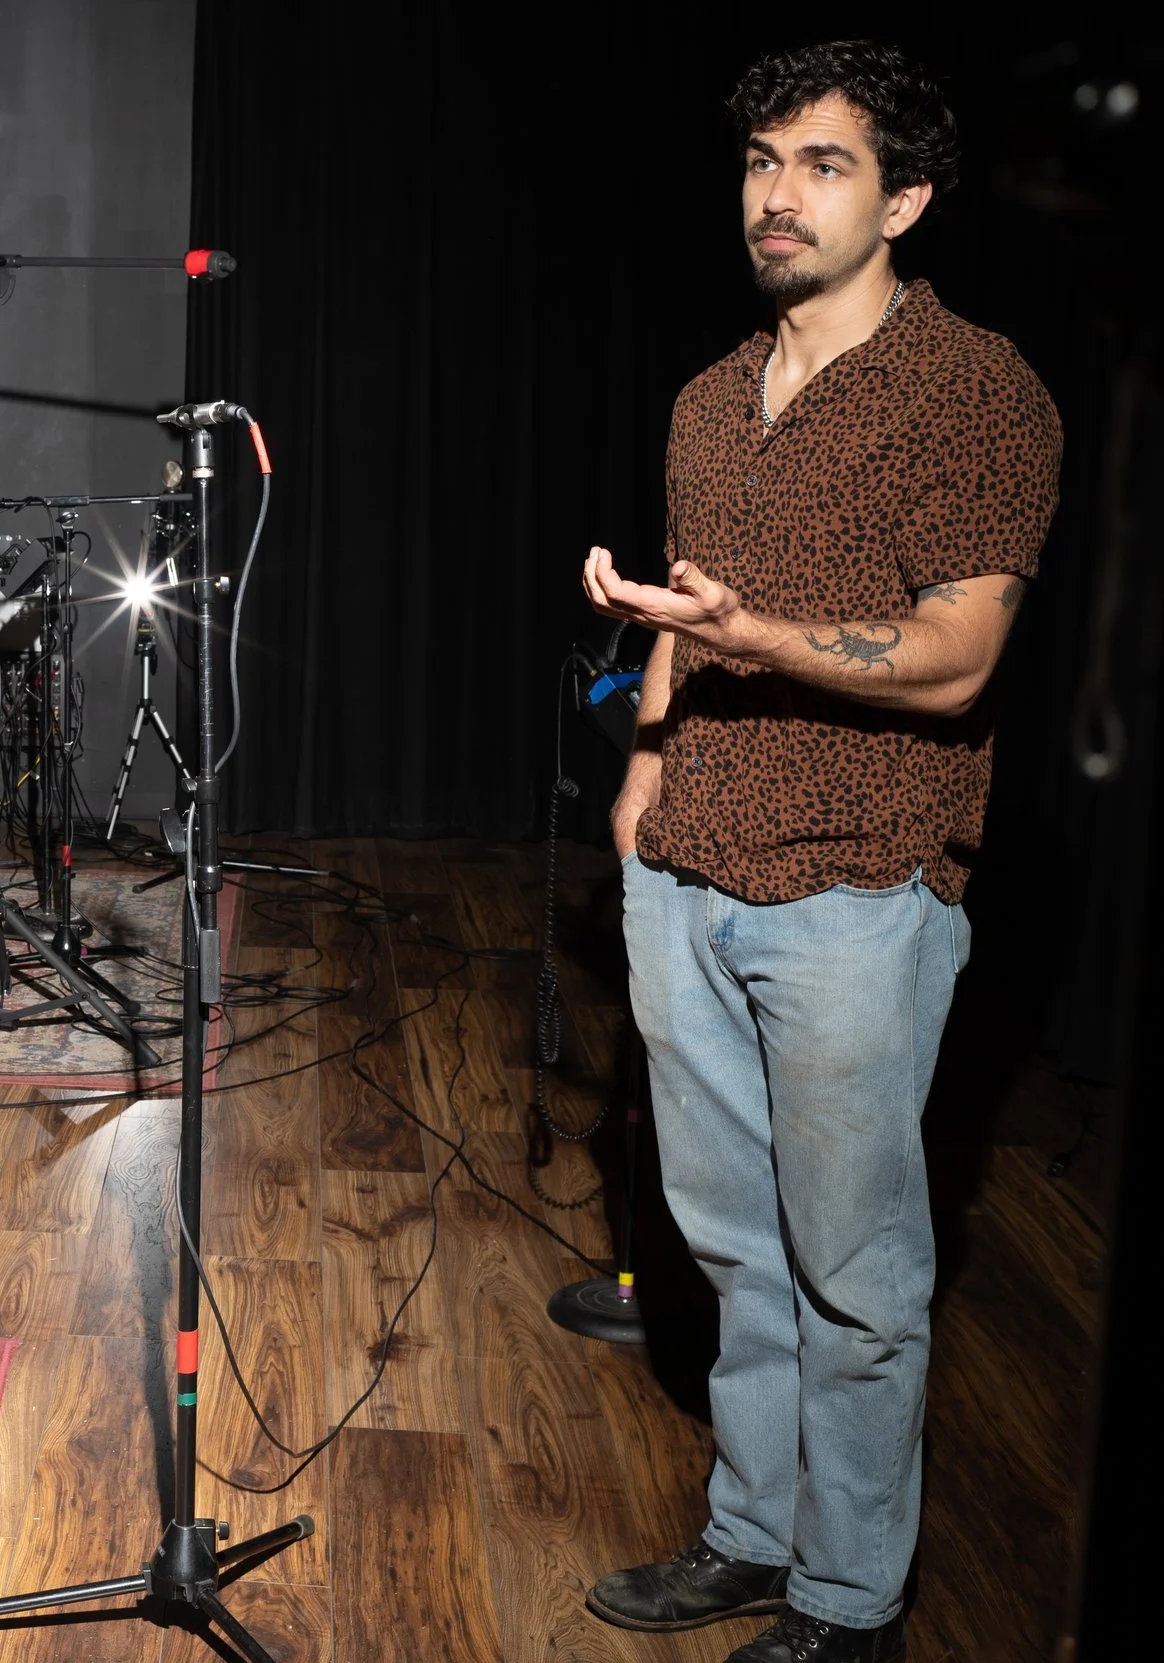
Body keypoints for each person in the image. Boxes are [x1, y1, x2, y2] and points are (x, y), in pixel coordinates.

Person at [576, 39, 1061, 1663]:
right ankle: (751, 1533)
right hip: (686, 871)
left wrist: (754, 637)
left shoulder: (977, 393)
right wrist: (646, 766)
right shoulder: (714, 394)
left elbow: (957, 655)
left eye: (826, 165)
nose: (779, 197)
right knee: (728, 1244)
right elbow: (684, 602)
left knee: (854, 1268)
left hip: (858, 885)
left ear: (906, 198)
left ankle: (851, 1599)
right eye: (763, 162)